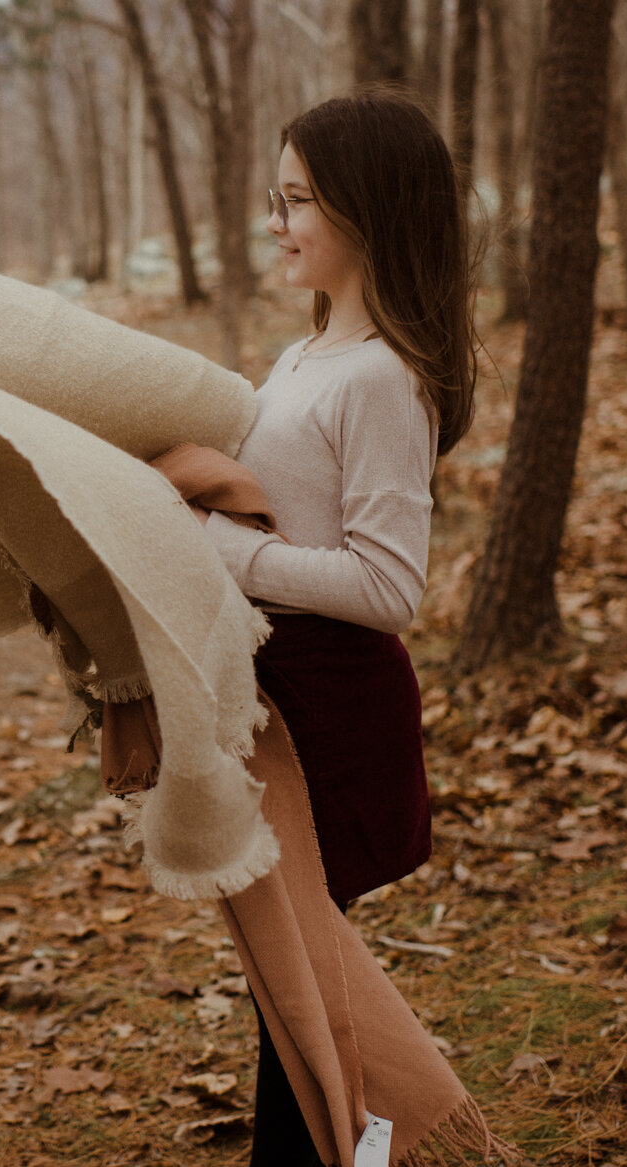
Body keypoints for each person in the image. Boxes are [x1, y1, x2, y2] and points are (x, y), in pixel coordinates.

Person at [198, 87, 478, 1167]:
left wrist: (237, 558)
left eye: (298, 201)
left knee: (307, 987)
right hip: (280, 696)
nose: (277, 222)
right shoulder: (308, 352)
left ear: (364, 210)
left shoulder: (381, 380)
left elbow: (389, 587)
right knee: (293, 985)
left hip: (334, 712)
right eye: (275, 198)